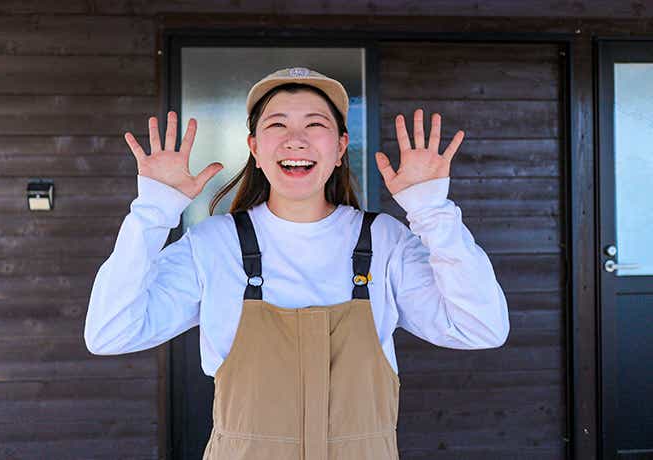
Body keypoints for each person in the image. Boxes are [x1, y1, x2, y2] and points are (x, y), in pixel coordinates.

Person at [84, 67, 510, 459]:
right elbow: (109, 333)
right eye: (277, 125)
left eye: (316, 124)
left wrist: (432, 211)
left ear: (341, 147)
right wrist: (154, 210)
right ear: (254, 147)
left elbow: (481, 327)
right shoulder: (213, 244)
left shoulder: (383, 241)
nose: (296, 139)